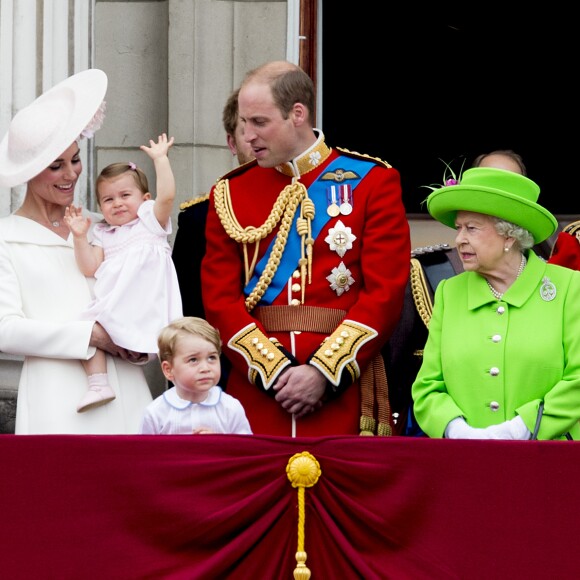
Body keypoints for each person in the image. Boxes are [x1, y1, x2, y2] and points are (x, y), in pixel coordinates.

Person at [201, 60, 411, 437]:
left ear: (297, 114)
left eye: (259, 122)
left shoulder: (372, 182)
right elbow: (219, 300)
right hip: (258, 394)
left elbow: (385, 294)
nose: (246, 136)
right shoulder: (229, 192)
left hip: (343, 387)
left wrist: (324, 372)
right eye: (244, 123)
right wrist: (275, 372)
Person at [0, 69, 154, 434]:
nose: (70, 173)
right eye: (55, 166)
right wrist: (90, 337)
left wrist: (142, 340)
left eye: (74, 159)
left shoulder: (104, 225)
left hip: (126, 388)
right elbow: (5, 330)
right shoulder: (6, 237)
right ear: (29, 171)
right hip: (55, 397)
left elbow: (141, 289)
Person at [411, 166, 580, 440]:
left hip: (549, 462)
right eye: (458, 228)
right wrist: (457, 430)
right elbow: (427, 386)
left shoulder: (570, 288)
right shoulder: (449, 293)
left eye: (472, 229)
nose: (459, 239)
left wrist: (519, 429)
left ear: (509, 236)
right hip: (466, 462)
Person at [64, 133, 183, 413]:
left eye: (125, 196)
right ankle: (98, 383)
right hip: (115, 308)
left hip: (144, 307)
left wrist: (161, 160)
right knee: (86, 328)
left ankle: (181, 396)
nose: (116, 203)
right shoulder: (104, 233)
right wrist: (80, 237)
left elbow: (167, 195)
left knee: (177, 350)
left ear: (145, 199)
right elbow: (89, 266)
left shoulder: (150, 222)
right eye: (107, 199)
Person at [172, 88, 254, 319]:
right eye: (248, 129)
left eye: (265, 125)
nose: (259, 137)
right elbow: (188, 313)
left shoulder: (308, 207)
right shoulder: (198, 218)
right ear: (232, 143)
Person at [140, 317, 252, 435]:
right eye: (193, 360)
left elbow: (246, 450)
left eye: (211, 357)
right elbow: (144, 452)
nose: (205, 368)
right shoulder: (155, 413)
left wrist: (219, 442)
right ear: (168, 370)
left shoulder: (231, 408)